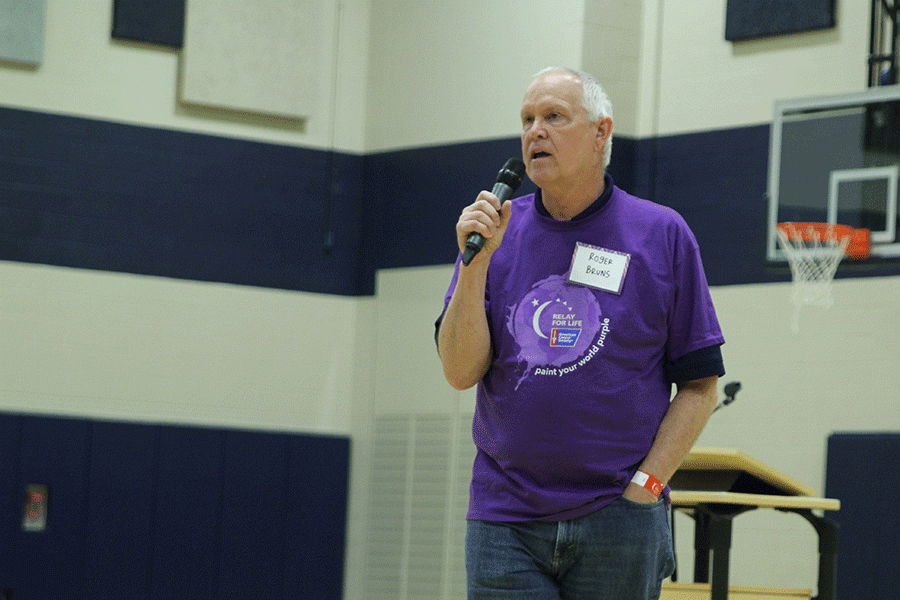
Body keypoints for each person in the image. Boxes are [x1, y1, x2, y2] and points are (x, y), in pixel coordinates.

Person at [435, 67, 726, 600]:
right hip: (506, 517)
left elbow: (700, 386)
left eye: (553, 117)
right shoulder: (494, 233)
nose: (534, 132)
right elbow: (459, 372)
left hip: (618, 515)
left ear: (600, 133)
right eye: (526, 120)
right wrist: (475, 264)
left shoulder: (661, 234)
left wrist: (649, 485)